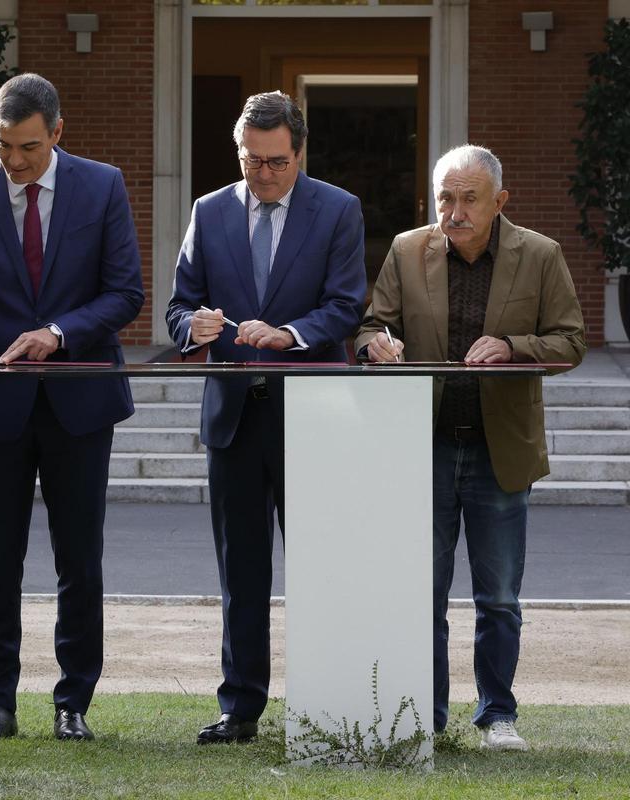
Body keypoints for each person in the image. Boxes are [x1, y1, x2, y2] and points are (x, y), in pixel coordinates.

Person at [0, 73, 143, 742]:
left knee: (80, 560)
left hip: (80, 399)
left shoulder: (103, 186)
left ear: (56, 132)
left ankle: (73, 701)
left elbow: (125, 294)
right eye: (2, 147)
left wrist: (59, 331)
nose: (14, 162)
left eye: (26, 148)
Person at [355, 144, 585, 751]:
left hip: (498, 451)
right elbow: (373, 322)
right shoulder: (407, 251)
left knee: (500, 597)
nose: (454, 212)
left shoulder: (540, 255)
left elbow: (571, 341)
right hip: (423, 446)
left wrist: (513, 346)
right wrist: (375, 344)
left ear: (499, 202)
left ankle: (497, 716)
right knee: (421, 594)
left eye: (468, 199)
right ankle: (424, 718)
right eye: (445, 199)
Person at [165, 91, 366, 744]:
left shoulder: (338, 210)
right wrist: (189, 325)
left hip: (311, 414)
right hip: (233, 419)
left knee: (317, 569)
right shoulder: (209, 211)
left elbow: (345, 306)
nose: (264, 174)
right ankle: (240, 708)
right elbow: (177, 305)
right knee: (240, 574)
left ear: (300, 152)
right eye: (252, 161)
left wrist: (289, 334)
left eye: (277, 162)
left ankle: (324, 701)